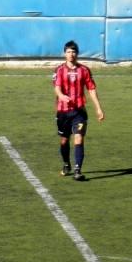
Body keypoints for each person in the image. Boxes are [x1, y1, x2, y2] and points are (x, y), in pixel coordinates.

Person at [53, 40, 104, 181]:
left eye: (73, 51)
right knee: (64, 140)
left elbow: (91, 89)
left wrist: (98, 108)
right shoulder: (59, 70)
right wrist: (61, 96)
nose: (71, 54)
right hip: (63, 112)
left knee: (79, 138)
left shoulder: (84, 70)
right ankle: (66, 164)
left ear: (77, 53)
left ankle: (77, 170)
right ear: (64, 54)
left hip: (79, 112)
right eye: (68, 52)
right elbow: (57, 87)